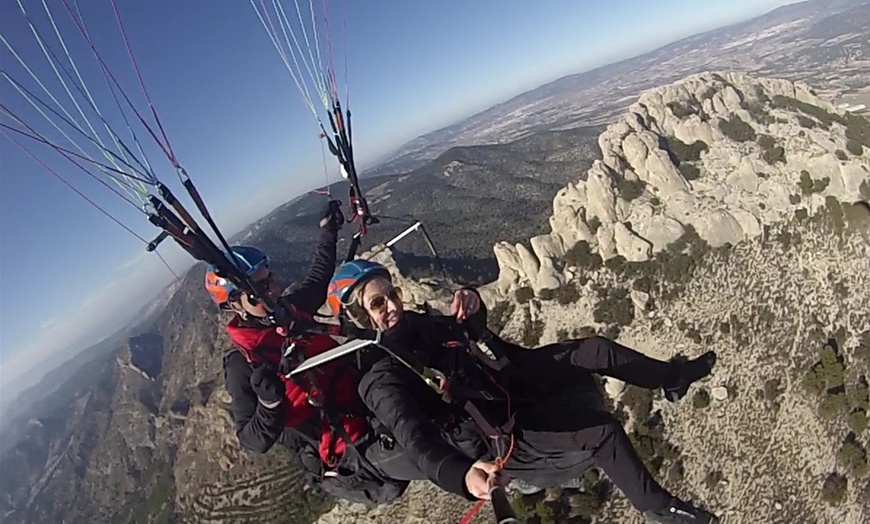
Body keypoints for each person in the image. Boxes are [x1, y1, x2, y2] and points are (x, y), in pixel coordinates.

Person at [327, 259, 720, 523]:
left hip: (507, 379)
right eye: (379, 303)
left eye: (392, 294)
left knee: (596, 349)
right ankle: (662, 509)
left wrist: (473, 303)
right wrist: (462, 476)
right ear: (359, 317)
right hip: (497, 432)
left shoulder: (415, 325)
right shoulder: (380, 377)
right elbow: (415, 439)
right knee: (603, 432)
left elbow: (465, 331)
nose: (392, 304)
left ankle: (671, 379)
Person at [204, 202, 422, 505]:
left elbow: (317, 282)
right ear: (233, 305)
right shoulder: (243, 363)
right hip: (353, 449)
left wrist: (328, 232)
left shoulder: (287, 312)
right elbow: (252, 440)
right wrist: (269, 404)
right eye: (260, 288)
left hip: (371, 398)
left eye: (271, 279)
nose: (274, 290)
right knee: (440, 446)